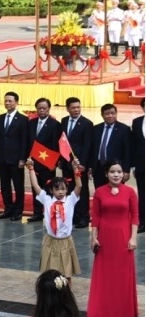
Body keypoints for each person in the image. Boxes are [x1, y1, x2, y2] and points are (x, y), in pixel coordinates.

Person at [87, 160, 139, 317]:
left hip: (123, 238)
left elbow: (135, 217)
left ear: (124, 174)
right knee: (105, 275)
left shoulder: (130, 192)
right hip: (105, 239)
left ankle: (123, 311)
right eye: (112, 172)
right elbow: (96, 217)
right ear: (106, 174)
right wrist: (93, 237)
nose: (116, 175)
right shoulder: (100, 192)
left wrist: (133, 237)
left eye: (119, 171)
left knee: (122, 275)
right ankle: (102, 310)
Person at [26, 162, 82, 279]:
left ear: (67, 189)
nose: (60, 192)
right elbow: (36, 186)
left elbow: (79, 186)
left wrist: (75, 169)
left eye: (63, 189)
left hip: (65, 241)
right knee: (50, 272)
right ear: (51, 190)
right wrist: (31, 169)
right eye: (57, 189)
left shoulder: (70, 200)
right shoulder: (47, 200)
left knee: (67, 273)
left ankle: (66, 293)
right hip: (51, 240)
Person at [60, 97, 94, 228]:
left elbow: (87, 145)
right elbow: (62, 141)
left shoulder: (87, 123)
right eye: (73, 108)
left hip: (80, 164)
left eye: (78, 107)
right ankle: (71, 215)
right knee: (68, 189)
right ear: (67, 108)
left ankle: (83, 217)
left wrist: (83, 163)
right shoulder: (63, 121)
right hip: (67, 162)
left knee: (82, 190)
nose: (76, 110)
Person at [26, 98, 62, 222]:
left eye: (44, 108)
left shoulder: (55, 124)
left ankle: (48, 212)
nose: (42, 111)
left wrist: (54, 163)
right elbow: (28, 142)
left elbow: (56, 145)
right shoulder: (31, 123)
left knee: (48, 189)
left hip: (48, 163)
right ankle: (37, 213)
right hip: (34, 162)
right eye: (39, 108)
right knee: (35, 188)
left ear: (49, 109)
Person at [0, 92, 29, 220]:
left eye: (10, 101)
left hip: (16, 159)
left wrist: (22, 158)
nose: (7, 103)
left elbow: (24, 140)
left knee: (18, 186)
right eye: (6, 101)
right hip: (2, 157)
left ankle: (18, 211)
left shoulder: (23, 119)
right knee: (5, 185)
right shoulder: (0, 118)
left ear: (16, 102)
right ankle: (8, 209)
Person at [90, 103, 131, 188]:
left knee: (115, 195)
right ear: (102, 115)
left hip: (116, 169)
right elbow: (92, 149)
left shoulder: (124, 129)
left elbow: (127, 151)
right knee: (100, 192)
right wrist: (91, 167)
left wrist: (126, 170)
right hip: (98, 168)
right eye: (107, 114)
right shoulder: (96, 128)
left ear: (116, 114)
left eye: (112, 113)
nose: (110, 116)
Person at [132, 99, 144, 233]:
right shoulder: (137, 122)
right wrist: (134, 165)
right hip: (141, 165)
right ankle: (142, 222)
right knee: (143, 194)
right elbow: (134, 145)